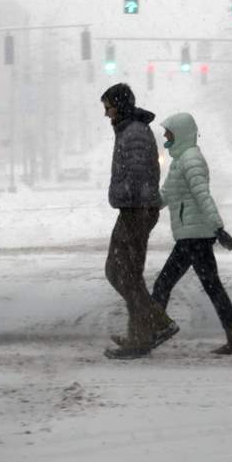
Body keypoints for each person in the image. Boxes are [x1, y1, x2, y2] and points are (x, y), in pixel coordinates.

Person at [152, 111, 232, 355]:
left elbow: (203, 195)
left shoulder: (191, 160)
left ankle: (149, 332)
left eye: (168, 132)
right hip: (192, 235)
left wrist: (218, 227)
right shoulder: (181, 160)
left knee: (164, 284)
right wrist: (145, 203)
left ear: (181, 133)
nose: (165, 137)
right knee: (211, 286)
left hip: (195, 237)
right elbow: (167, 195)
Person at [100, 83, 178, 359]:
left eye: (108, 107)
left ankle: (159, 323)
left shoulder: (133, 132)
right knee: (127, 274)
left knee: (119, 272)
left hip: (137, 209)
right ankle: (140, 336)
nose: (106, 113)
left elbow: (136, 175)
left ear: (119, 106)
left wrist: (124, 197)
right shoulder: (130, 129)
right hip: (136, 208)